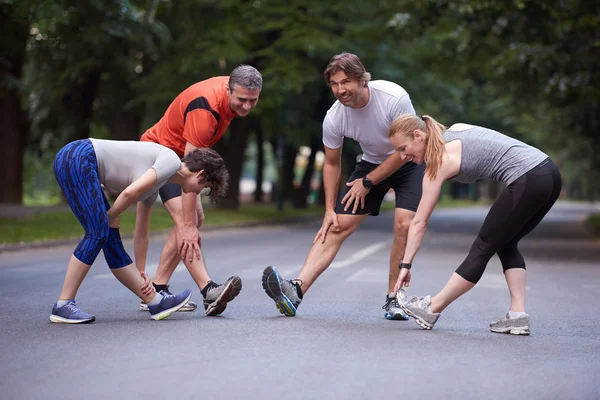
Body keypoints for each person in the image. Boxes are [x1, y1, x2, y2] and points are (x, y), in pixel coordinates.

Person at [261, 53, 425, 319]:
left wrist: (369, 182)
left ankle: (394, 299)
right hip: (371, 165)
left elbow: (405, 150)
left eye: (346, 82)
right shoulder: (334, 117)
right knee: (335, 224)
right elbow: (331, 164)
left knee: (404, 224)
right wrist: (328, 210)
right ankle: (295, 290)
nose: (340, 90)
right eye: (334, 84)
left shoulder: (394, 98)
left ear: (362, 80)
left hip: (408, 162)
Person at [388, 115, 561, 335]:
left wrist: (406, 266)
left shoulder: (440, 161)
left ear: (418, 135)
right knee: (506, 243)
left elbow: (419, 222)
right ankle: (517, 316)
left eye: (404, 148)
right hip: (549, 173)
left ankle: (432, 308)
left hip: (528, 176)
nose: (403, 156)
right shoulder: (455, 130)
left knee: (483, 246)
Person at [50, 138, 229, 323]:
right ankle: (64, 304)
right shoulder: (171, 162)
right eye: (205, 188)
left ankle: (154, 301)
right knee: (99, 231)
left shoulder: (160, 181)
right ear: (200, 174)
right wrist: (111, 215)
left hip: (81, 162)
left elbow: (142, 231)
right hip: (77, 157)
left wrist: (141, 272)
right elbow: (129, 193)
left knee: (110, 239)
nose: (199, 193)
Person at [138, 64, 262, 315]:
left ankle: (157, 289)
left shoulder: (234, 87)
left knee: (194, 219)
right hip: (159, 156)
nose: (247, 106)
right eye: (241, 100)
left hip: (175, 159)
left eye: (253, 100)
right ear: (228, 90)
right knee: (189, 223)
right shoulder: (205, 109)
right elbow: (190, 171)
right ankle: (209, 291)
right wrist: (189, 226)